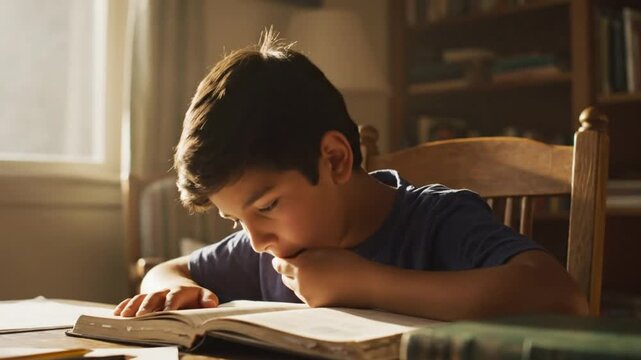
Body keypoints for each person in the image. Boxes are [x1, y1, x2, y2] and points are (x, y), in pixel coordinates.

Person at [114, 30, 588, 320]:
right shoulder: (271, 244)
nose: (254, 239)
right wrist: (171, 291)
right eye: (234, 220)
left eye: (266, 206)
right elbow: (166, 270)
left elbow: (559, 296)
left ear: (336, 159)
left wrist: (367, 283)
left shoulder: (436, 219)